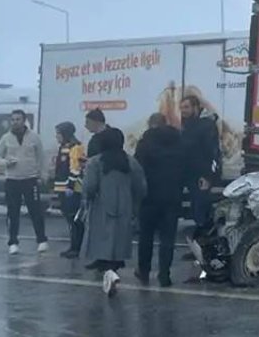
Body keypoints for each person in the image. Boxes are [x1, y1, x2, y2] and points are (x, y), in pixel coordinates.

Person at [80, 127, 146, 296]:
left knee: (102, 241)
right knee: (118, 243)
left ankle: (109, 274)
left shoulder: (95, 162)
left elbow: (89, 186)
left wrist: (87, 199)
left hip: (101, 206)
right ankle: (113, 270)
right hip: (125, 207)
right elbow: (141, 188)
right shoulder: (131, 162)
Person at [134, 113, 185, 287]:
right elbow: (186, 167)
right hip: (172, 196)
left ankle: (144, 270)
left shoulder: (145, 143)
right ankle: (164, 274)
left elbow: (137, 168)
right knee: (167, 239)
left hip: (149, 196)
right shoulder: (178, 141)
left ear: (151, 124)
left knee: (146, 236)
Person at [0, 109, 50, 255]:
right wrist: (5, 162)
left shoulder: (34, 137)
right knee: (12, 212)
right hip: (12, 179)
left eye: (18, 119)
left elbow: (42, 156)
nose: (15, 122)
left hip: (30, 179)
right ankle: (13, 242)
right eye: (12, 120)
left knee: (35, 211)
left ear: (24, 121)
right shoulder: (5, 138)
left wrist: (43, 174)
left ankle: (42, 240)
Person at [180, 94, 221, 233]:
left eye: (186, 107)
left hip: (201, 177)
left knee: (201, 211)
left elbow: (213, 153)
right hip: (189, 175)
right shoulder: (187, 125)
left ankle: (203, 245)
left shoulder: (206, 126)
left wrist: (208, 177)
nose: (183, 111)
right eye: (181, 108)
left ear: (196, 108)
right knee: (196, 210)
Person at [53, 122, 86, 259]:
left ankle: (76, 248)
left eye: (58, 134)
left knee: (75, 220)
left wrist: (70, 187)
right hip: (63, 188)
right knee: (70, 220)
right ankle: (74, 247)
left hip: (72, 189)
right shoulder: (65, 146)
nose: (56, 137)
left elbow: (76, 168)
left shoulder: (75, 147)